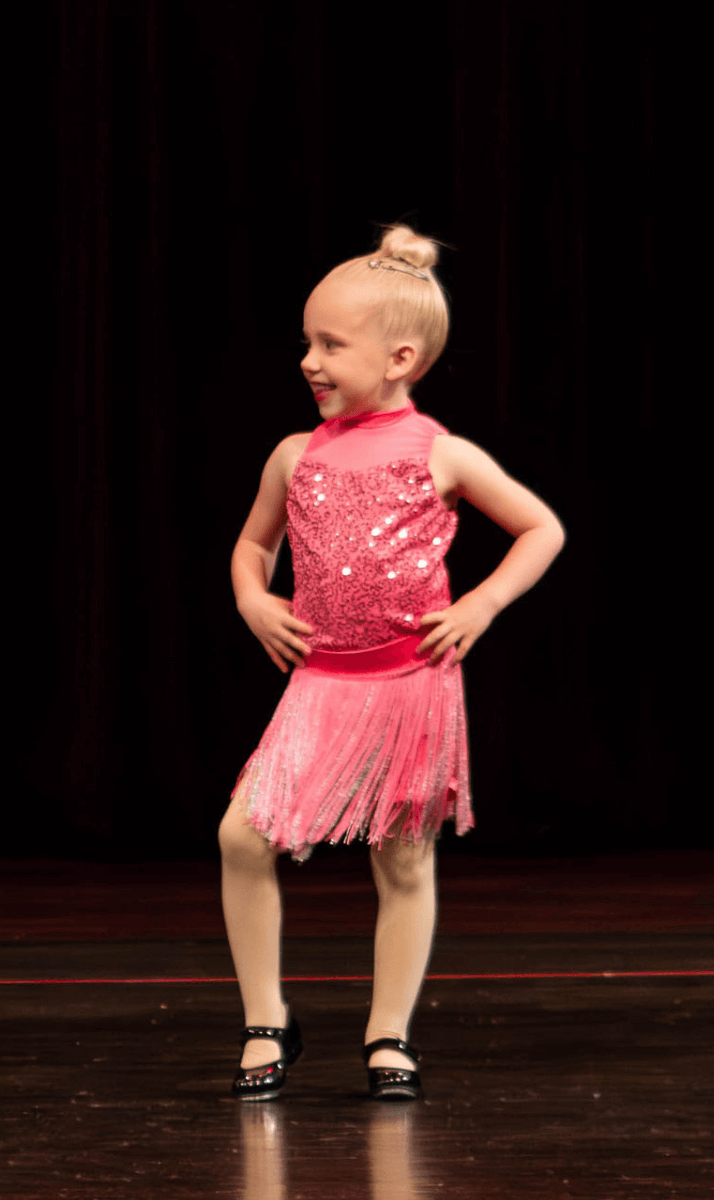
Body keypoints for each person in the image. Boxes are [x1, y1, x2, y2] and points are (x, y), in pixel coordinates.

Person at [219, 224, 565, 1102]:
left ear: (400, 356)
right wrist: (254, 599)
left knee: (403, 861)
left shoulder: (439, 453)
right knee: (240, 835)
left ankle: (388, 1034)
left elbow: (540, 527)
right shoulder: (296, 455)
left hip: (409, 687)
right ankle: (268, 1016)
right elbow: (252, 549)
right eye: (307, 341)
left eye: (331, 344)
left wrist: (481, 603)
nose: (309, 360)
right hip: (321, 685)